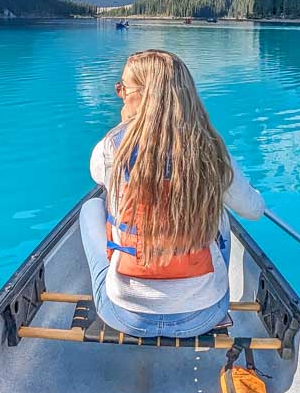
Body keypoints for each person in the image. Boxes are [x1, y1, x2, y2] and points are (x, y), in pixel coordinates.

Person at [79, 49, 264, 338]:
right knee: (221, 214)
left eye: (123, 88)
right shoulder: (211, 149)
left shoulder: (111, 147)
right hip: (203, 316)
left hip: (124, 315)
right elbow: (254, 211)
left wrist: (126, 126)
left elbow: (97, 175)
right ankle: (208, 298)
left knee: (91, 207)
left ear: (145, 95)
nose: (120, 95)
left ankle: (125, 281)